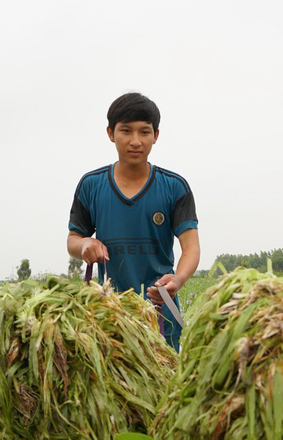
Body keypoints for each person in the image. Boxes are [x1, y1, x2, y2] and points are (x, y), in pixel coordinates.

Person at [66, 92, 200, 350]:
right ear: (110, 133)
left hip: (161, 313)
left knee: (164, 385)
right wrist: (84, 244)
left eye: (145, 132)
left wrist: (179, 279)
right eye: (126, 131)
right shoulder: (91, 185)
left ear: (156, 136)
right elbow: (73, 240)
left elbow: (191, 247)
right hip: (108, 316)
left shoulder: (174, 187)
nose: (135, 141)